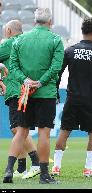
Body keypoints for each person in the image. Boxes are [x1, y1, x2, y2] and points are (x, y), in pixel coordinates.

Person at [2, 8, 64, 184]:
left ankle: (8, 170)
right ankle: (44, 174)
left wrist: (26, 80)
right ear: (50, 22)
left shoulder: (20, 40)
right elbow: (56, 67)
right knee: (44, 133)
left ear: (34, 21)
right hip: (46, 93)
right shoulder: (55, 40)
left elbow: (13, 66)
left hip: (25, 92)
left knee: (21, 131)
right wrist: (41, 82)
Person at [51, 17, 92, 178]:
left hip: (72, 99)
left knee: (64, 132)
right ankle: (88, 169)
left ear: (83, 32)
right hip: (90, 100)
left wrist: (55, 93)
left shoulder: (70, 51)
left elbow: (58, 74)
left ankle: (56, 167)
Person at [0, 20, 41, 180]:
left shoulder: (10, 43)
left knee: (19, 129)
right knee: (17, 129)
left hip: (17, 91)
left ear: (9, 31)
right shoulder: (27, 42)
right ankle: (22, 167)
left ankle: (36, 163)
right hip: (25, 90)